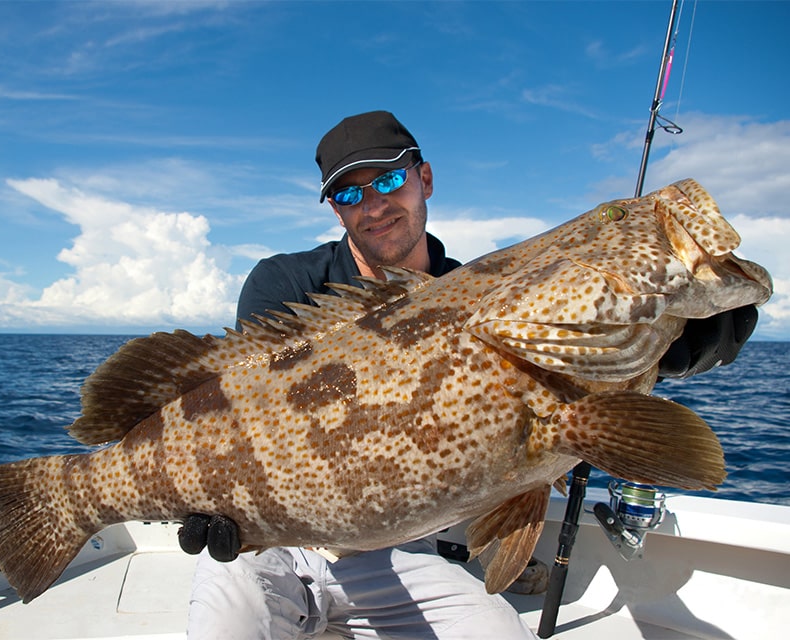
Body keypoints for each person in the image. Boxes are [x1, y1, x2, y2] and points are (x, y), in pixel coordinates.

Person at [182, 111, 758, 639]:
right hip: (269, 543)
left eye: (388, 181)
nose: (374, 205)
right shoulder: (284, 286)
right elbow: (240, 413)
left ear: (424, 178)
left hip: (399, 551)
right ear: (336, 209)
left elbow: (603, 351)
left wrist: (681, 334)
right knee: (228, 622)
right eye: (350, 194)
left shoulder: (488, 290)